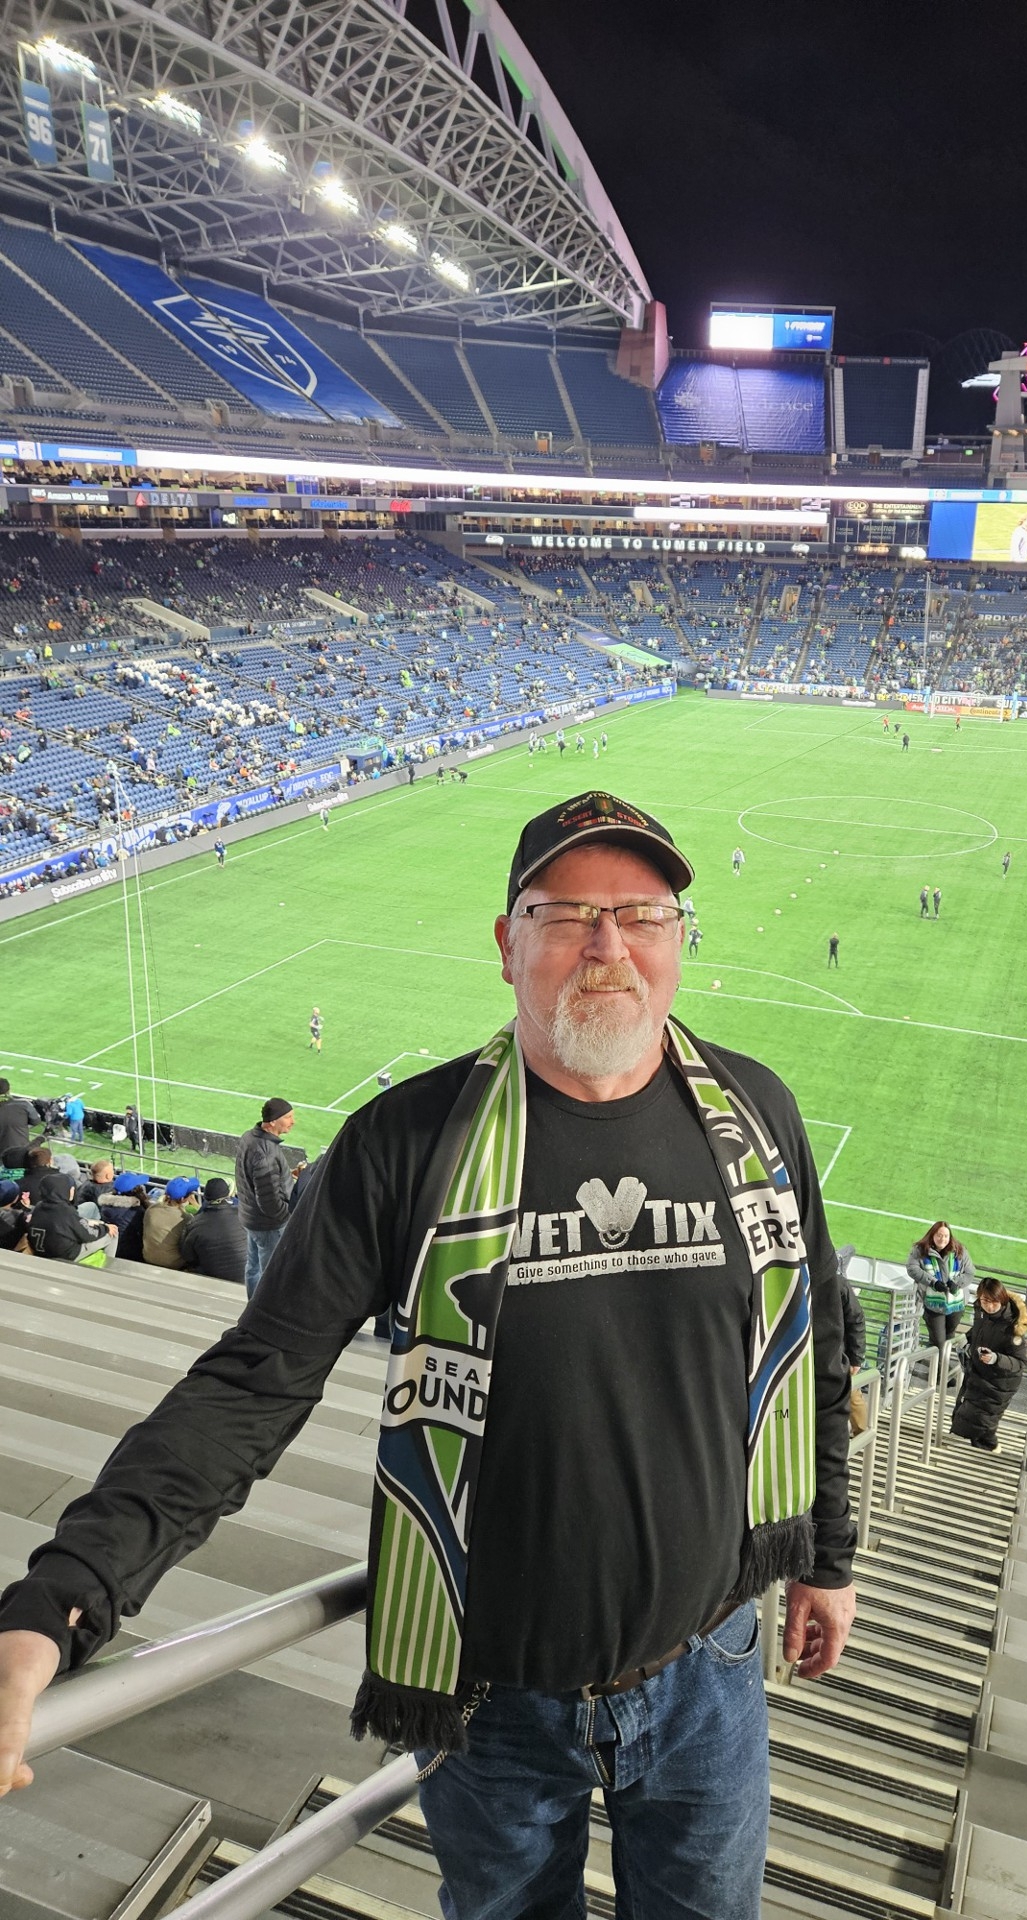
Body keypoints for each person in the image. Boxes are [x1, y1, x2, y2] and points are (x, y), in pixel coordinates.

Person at [0, 790, 855, 1915]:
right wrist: (61, 1601)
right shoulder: (403, 1146)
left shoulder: (758, 1114)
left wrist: (827, 1554)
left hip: (712, 1669)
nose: (609, 946)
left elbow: (817, 1346)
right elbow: (254, 1385)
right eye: (567, 914)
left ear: (679, 941)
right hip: (490, 1702)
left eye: (644, 915)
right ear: (508, 944)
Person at [950, 1277, 1027, 1450]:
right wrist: (967, 1338)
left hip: (1000, 1382)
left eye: (994, 1302)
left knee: (982, 1420)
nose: (990, 1306)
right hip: (980, 1373)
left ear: (1002, 1300)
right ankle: (982, 1447)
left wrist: (995, 1358)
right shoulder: (981, 1312)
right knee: (967, 1415)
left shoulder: (1012, 1327)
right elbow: (980, 1330)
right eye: (985, 1301)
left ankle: (991, 1447)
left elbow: (1020, 1362)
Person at [234, 1096, 297, 1297]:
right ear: (272, 1123)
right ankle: (262, 1311)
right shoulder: (266, 1153)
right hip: (269, 1225)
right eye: (288, 1117)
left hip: (251, 1217)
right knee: (271, 1275)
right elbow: (270, 1203)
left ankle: (252, 1305)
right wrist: (287, 1216)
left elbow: (256, 1178)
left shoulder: (248, 1137)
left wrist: (287, 1174)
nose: (293, 1122)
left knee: (253, 1267)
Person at [906, 1222, 975, 1349]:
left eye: (946, 1236)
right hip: (932, 1304)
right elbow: (912, 1268)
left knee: (949, 1337)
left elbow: (970, 1272)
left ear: (950, 1237)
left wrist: (956, 1283)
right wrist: (933, 1282)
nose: (942, 1239)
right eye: (939, 1235)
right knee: (937, 1341)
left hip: (956, 1303)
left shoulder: (960, 1250)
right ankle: (937, 1361)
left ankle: (943, 1361)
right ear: (932, 1235)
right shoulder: (920, 1250)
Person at [24, 1171, 117, 1266]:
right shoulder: (65, 1211)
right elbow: (87, 1235)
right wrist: (105, 1228)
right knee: (112, 1232)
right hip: (65, 1256)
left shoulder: (39, 1207)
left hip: (41, 1252)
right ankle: (109, 1269)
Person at [178, 1177, 247, 1286]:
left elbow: (187, 1256)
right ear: (228, 1195)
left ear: (205, 1197)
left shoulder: (194, 1223)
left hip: (213, 1279)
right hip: (247, 1278)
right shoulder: (245, 1216)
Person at [142, 1176, 199, 1270]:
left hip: (148, 1257)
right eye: (190, 1194)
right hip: (173, 1264)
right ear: (183, 1199)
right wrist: (196, 1205)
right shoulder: (185, 1219)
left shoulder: (152, 1209)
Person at [0, 1080, 40, 1172]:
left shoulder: (23, 1104)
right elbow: (36, 1121)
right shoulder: (24, 1104)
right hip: (21, 1151)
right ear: (8, 1090)